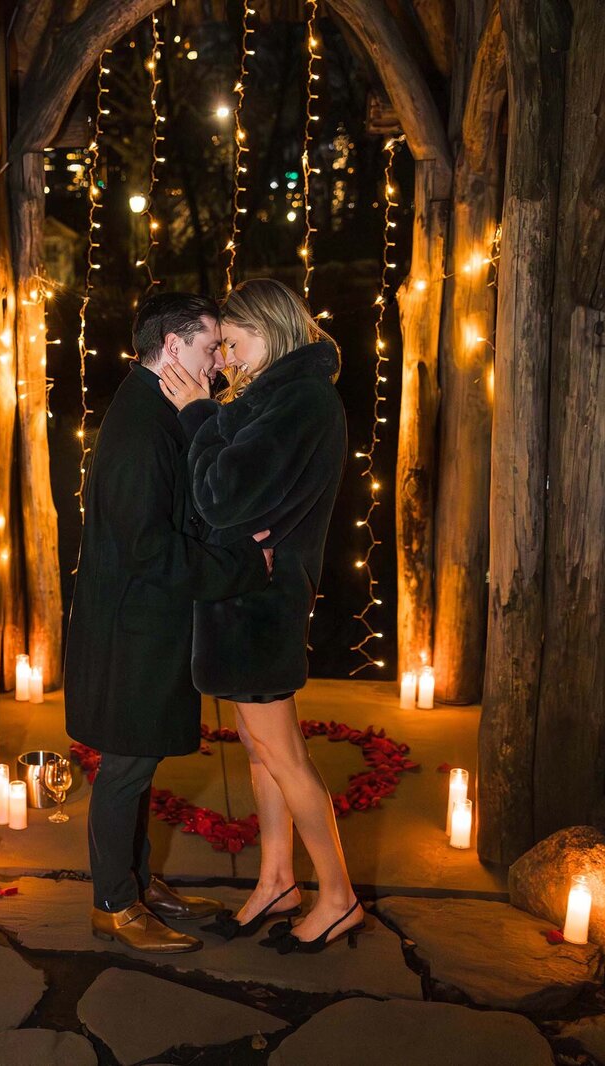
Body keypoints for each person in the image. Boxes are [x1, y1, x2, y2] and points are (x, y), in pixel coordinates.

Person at [65, 291, 273, 954]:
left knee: (140, 762)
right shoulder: (136, 430)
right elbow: (149, 550)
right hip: (133, 630)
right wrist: (243, 565)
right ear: (174, 346)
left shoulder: (155, 409)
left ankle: (139, 882)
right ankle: (112, 905)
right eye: (212, 348)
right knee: (125, 765)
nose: (219, 362)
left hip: (146, 622)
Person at [158, 278, 361, 954]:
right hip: (246, 596)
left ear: (269, 329)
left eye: (234, 343)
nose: (225, 359)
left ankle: (338, 896)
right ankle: (277, 878)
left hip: (263, 604)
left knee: (283, 753)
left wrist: (196, 415)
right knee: (258, 749)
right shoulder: (273, 396)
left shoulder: (300, 400)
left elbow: (223, 496)